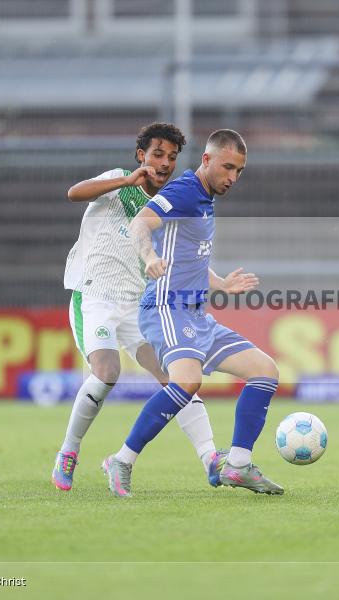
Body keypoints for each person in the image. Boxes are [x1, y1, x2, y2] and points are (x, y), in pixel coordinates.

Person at [52, 123, 253, 491]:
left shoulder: (171, 200)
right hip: (94, 296)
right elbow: (73, 193)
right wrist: (126, 182)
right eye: (157, 154)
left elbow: (183, 257)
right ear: (140, 155)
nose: (164, 163)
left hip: (137, 305)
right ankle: (69, 451)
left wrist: (220, 282)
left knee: (179, 381)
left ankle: (211, 458)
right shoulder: (118, 181)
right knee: (107, 371)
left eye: (172, 158)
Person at [101, 129, 284, 498]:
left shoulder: (204, 199)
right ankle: (121, 459)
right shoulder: (184, 191)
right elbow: (141, 224)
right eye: (228, 167)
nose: (233, 177)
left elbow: (191, 254)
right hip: (167, 309)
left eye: (239, 171)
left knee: (265, 372)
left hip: (198, 315)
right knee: (186, 382)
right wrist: (149, 257)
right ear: (206, 160)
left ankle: (238, 465)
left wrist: (220, 285)